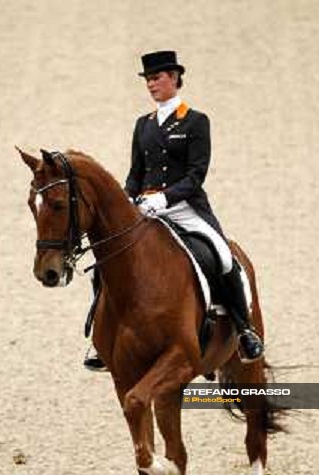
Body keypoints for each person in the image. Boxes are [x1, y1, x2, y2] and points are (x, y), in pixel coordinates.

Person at [83, 50, 263, 371]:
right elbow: (135, 173)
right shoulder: (143, 125)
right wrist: (128, 201)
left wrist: (164, 199)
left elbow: (196, 175)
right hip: (146, 209)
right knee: (105, 260)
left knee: (222, 256)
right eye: (148, 80)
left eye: (157, 78)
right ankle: (102, 339)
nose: (152, 85)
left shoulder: (195, 121)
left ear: (175, 79)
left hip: (184, 207)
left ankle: (244, 328)